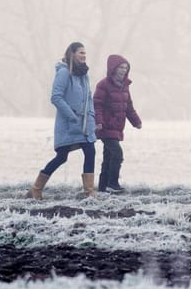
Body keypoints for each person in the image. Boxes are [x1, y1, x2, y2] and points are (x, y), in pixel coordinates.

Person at [29, 41, 98, 199]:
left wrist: (92, 118)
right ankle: (36, 188)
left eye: (85, 53)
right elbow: (56, 97)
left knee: (90, 150)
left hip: (84, 125)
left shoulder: (84, 75)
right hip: (69, 124)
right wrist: (71, 115)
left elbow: (89, 99)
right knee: (62, 157)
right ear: (72, 53)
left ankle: (89, 192)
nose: (84, 55)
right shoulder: (64, 72)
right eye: (81, 52)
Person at [94, 53, 142, 194]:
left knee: (108, 157)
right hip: (105, 126)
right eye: (121, 67)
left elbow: (129, 107)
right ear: (113, 68)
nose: (123, 70)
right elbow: (97, 105)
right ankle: (113, 184)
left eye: (125, 68)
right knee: (117, 154)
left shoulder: (124, 86)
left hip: (117, 127)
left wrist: (136, 121)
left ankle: (103, 187)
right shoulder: (103, 85)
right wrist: (99, 122)